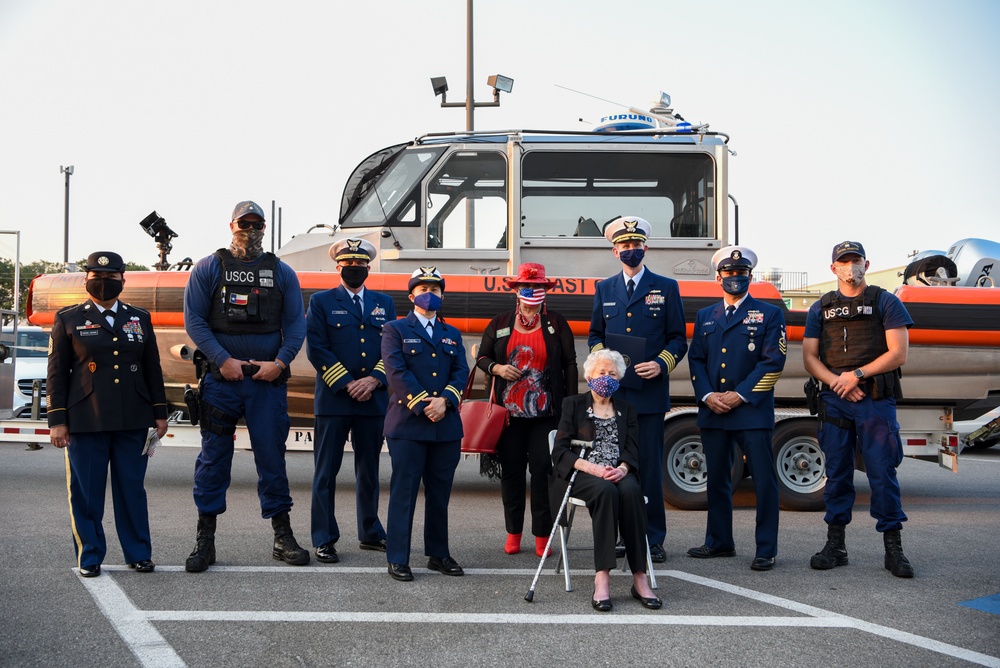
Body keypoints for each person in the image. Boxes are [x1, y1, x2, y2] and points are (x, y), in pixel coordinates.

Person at [182, 200, 309, 572]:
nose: (250, 231)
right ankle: (205, 541)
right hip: (221, 383)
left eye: (257, 224)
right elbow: (195, 322)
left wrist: (281, 362)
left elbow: (296, 325)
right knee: (213, 460)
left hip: (266, 384)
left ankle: (282, 536)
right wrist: (224, 360)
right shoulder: (208, 267)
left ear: (265, 228)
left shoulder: (282, 272)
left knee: (272, 458)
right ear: (231, 225)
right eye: (244, 223)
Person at [47, 251, 169, 577]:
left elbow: (151, 369)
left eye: (111, 277)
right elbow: (57, 374)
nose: (103, 282)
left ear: (122, 280)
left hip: (134, 417)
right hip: (86, 419)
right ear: (86, 279)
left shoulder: (139, 317)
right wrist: (57, 420)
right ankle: (89, 556)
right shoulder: (69, 318)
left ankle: (138, 553)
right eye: (97, 276)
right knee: (86, 493)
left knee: (132, 490)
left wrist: (160, 413)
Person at [803, 241, 915, 578]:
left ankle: (893, 549)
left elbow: (898, 353)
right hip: (836, 400)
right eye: (844, 261)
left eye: (855, 260)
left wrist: (856, 376)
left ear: (866, 264)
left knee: (882, 474)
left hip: (875, 400)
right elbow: (809, 357)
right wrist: (838, 382)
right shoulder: (820, 307)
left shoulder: (885, 301)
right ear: (833, 268)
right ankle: (835, 546)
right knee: (837, 474)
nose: (850, 266)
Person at [588, 215, 687, 563]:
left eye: (636, 244)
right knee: (614, 466)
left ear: (645, 247)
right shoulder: (604, 289)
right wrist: (602, 360)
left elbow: (678, 339)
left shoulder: (667, 287)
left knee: (647, 468)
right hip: (614, 397)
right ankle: (618, 536)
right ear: (615, 251)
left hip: (648, 395)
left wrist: (661, 363)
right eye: (624, 246)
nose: (631, 250)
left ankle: (653, 538)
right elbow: (595, 335)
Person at [686, 246, 786, 571]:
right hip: (713, 410)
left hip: (751, 412)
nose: (735, 278)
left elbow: (773, 363)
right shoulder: (705, 316)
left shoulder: (769, 314)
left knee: (763, 481)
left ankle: (766, 548)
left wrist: (739, 395)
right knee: (716, 478)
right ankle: (719, 541)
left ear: (750, 276)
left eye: (741, 273)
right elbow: (697, 359)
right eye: (729, 273)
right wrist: (706, 395)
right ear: (719, 277)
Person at [476, 263, 577, 557]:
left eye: (538, 287)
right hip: (507, 416)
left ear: (546, 291)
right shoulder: (500, 322)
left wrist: (571, 408)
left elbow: (569, 364)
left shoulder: (557, 323)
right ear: (516, 291)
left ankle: (542, 536)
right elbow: (482, 356)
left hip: (546, 415)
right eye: (525, 287)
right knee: (512, 474)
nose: (532, 291)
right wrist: (496, 367)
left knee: (544, 473)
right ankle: (513, 533)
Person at [306, 238, 396, 562]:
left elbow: (391, 348)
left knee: (369, 471)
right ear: (338, 267)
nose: (354, 269)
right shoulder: (321, 302)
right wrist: (347, 383)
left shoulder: (384, 303)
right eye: (348, 264)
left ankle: (370, 532)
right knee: (325, 472)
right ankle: (324, 537)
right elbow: (316, 348)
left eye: (360, 265)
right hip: (334, 400)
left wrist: (374, 379)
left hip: (372, 400)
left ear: (368, 268)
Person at [551, 349, 661, 612]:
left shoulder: (627, 409)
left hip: (617, 472)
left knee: (631, 492)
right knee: (605, 492)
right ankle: (602, 577)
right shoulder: (573, 404)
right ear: (589, 375)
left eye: (612, 374)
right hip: (584, 473)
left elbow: (633, 450)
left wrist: (623, 468)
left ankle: (639, 578)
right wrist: (594, 469)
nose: (606, 378)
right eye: (601, 372)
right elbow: (559, 451)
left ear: (620, 379)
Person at [381, 267, 469, 582]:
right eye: (422, 288)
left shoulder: (452, 333)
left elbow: (462, 371)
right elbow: (395, 371)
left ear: (443, 295)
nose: (429, 293)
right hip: (408, 425)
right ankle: (398, 558)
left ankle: (438, 554)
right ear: (411, 295)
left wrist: (445, 401)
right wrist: (423, 404)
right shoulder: (395, 329)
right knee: (404, 491)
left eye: (435, 288)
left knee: (440, 493)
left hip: (445, 425)